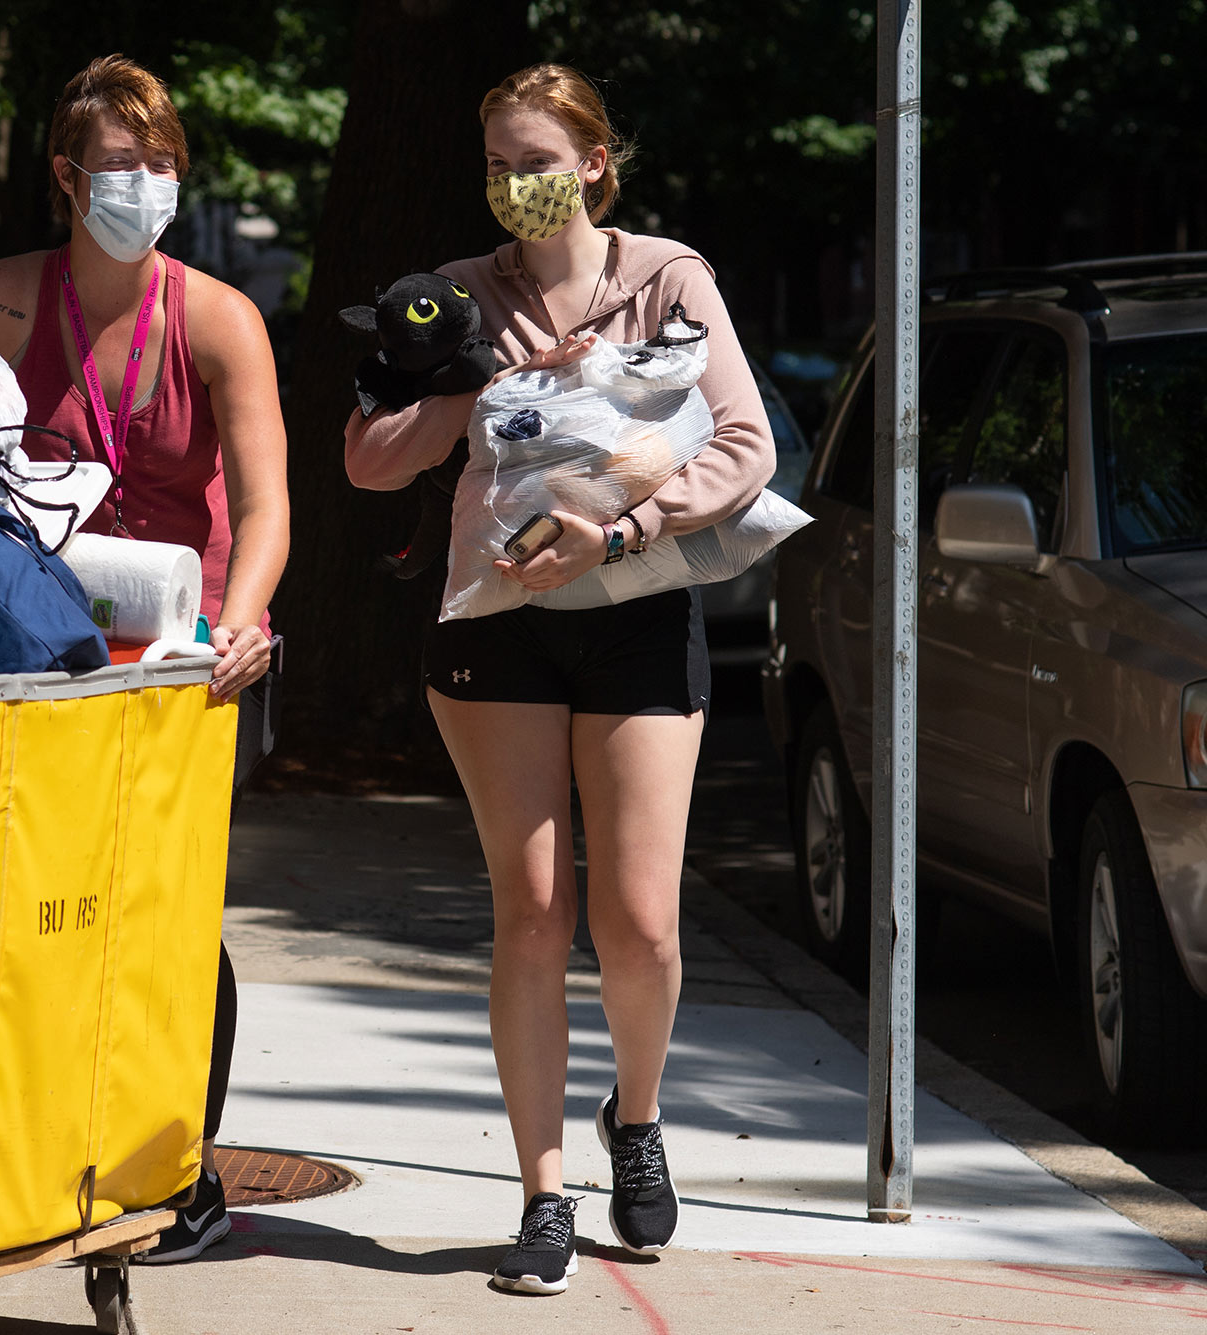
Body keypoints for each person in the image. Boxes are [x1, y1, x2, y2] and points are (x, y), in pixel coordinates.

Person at [343, 63, 773, 1295]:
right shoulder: (450, 297)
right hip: (496, 621)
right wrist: (476, 382)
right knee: (530, 916)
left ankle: (632, 1121)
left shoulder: (665, 279)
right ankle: (541, 1190)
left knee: (635, 927)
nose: (511, 186)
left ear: (591, 161)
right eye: (492, 165)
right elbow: (368, 462)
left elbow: (744, 445)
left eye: (532, 160)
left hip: (635, 608)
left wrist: (626, 532)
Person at [0, 53, 290, 1263]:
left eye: (160, 165)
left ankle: (186, 1173)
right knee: (22, 904)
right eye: (117, 166)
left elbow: (265, 499)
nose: (142, 184)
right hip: (29, 652)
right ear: (65, 177)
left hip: (187, 664)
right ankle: (30, 1155)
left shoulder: (216, 318)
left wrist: (242, 622)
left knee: (168, 914)